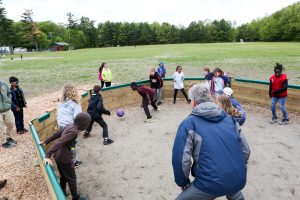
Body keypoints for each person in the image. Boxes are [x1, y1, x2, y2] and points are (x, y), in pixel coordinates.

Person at [172, 83, 250, 200]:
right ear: (211, 99)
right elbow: (246, 151)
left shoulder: (189, 123)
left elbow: (181, 159)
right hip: (238, 177)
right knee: (231, 188)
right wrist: (234, 168)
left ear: (193, 103)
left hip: (210, 183)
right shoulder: (230, 120)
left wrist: (183, 182)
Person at [42, 112, 91, 200]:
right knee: (72, 178)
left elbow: (57, 133)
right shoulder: (74, 132)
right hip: (64, 158)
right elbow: (60, 142)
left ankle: (62, 191)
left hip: (58, 156)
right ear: (84, 125)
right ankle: (75, 198)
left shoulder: (70, 125)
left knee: (64, 175)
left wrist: (46, 141)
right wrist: (47, 155)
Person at [57, 83, 83, 168]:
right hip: (70, 127)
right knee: (72, 145)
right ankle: (73, 162)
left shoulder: (60, 102)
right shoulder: (75, 103)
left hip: (61, 125)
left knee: (65, 144)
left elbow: (58, 114)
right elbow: (77, 117)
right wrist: (78, 129)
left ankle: (63, 159)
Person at [0, 80, 17, 148]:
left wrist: (9, 99)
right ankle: (4, 142)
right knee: (1, 128)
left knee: (11, 123)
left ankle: (9, 138)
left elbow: (9, 92)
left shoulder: (3, 83)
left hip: (7, 109)